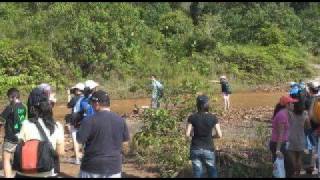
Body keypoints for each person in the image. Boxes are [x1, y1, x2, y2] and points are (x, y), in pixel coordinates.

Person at [77, 90, 130, 178]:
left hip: (92, 167)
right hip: (114, 167)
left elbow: (80, 139)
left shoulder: (88, 120)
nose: (91, 105)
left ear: (97, 103)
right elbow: (125, 143)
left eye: (92, 103)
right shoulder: (120, 120)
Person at [16, 99, 64, 178]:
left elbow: (19, 144)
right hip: (47, 172)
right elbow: (60, 152)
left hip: (26, 172)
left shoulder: (26, 123)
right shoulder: (57, 126)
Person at [186, 95, 222, 178]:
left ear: (197, 105)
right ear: (207, 105)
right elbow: (219, 135)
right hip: (209, 149)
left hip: (195, 148)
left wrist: (193, 134)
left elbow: (187, 134)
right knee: (212, 172)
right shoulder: (213, 117)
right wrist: (212, 137)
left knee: (197, 173)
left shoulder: (192, 117)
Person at [0, 88, 27, 178]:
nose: (9, 100)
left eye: (9, 98)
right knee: (20, 160)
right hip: (21, 138)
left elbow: (1, 121)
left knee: (6, 159)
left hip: (10, 137)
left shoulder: (10, 107)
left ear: (13, 97)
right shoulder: (23, 107)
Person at [71, 80, 99, 165]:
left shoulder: (81, 100)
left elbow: (75, 113)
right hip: (96, 124)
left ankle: (87, 159)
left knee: (87, 144)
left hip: (85, 124)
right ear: (93, 89)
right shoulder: (97, 99)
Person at [270, 95, 298, 177]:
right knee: (285, 168)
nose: (293, 105)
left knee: (282, 168)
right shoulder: (282, 115)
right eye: (292, 103)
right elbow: (280, 134)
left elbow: (289, 128)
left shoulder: (286, 113)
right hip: (278, 144)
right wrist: (278, 150)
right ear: (287, 105)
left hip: (282, 144)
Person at [287, 101, 311, 177]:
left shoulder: (290, 114)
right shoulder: (305, 115)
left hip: (291, 137)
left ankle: (295, 172)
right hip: (301, 137)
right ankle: (298, 173)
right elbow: (308, 126)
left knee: (293, 157)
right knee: (299, 158)